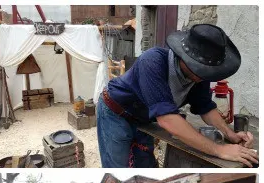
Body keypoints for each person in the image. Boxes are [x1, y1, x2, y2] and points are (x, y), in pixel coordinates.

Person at [97, 24, 258, 168]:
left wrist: (229, 133)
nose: (205, 76)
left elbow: (205, 107)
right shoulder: (152, 61)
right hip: (115, 112)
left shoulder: (201, 75)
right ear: (185, 58)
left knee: (145, 167)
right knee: (118, 171)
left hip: (143, 118)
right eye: (201, 69)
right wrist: (220, 150)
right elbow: (167, 120)